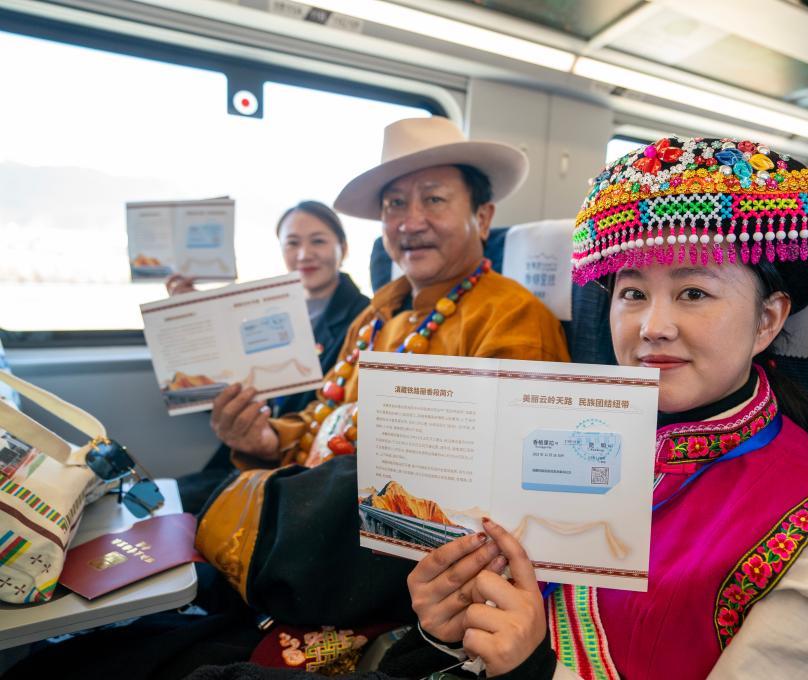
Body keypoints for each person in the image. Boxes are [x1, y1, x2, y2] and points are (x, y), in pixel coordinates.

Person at [376, 136, 808, 679]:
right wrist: (445, 631)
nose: (652, 327)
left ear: (767, 320)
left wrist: (535, 671)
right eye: (633, 294)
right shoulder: (558, 445)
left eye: (694, 293)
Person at [194, 116, 571, 631]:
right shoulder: (378, 313)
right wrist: (264, 439)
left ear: (482, 218)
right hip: (317, 522)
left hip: (395, 558)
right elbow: (325, 414)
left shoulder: (513, 318)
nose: (409, 222)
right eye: (394, 204)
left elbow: (496, 486)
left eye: (433, 199)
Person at [173, 201, 370, 513]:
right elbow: (223, 389)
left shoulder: (365, 321)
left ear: (343, 249)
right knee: (171, 499)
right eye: (292, 243)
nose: (304, 254)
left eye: (318, 241)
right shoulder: (265, 315)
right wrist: (195, 317)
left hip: (296, 465)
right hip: (246, 451)